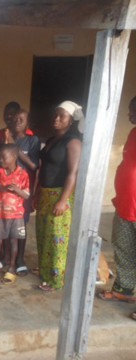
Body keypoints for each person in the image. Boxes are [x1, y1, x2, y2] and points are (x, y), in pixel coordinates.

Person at [35, 101, 82, 291]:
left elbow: (73, 172)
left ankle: (56, 280)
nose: (56, 119)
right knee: (43, 234)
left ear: (70, 121)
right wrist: (37, 193)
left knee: (57, 238)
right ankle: (45, 272)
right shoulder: (53, 139)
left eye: (61, 116)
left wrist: (63, 200)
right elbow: (44, 168)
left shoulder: (73, 142)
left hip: (60, 194)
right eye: (55, 115)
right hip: (45, 193)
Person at [99, 96, 136, 315]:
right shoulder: (133, 134)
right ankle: (125, 288)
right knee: (123, 249)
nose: (129, 115)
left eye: (133, 111)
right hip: (124, 204)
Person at [3, 109, 41, 276]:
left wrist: (14, 147)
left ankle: (20, 259)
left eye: (22, 119)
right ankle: (5, 257)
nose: (17, 121)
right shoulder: (5, 138)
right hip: (6, 190)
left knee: (21, 226)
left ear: (27, 123)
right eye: (15, 118)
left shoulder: (32, 141)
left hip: (22, 190)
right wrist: (7, 143)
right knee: (5, 223)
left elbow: (33, 165)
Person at [0, 144, 30, 284]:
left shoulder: (22, 174)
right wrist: (0, 188)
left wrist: (16, 190)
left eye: (4, 157)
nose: (1, 160)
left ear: (14, 157)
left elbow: (26, 195)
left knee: (14, 241)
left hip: (16, 215)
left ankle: (12, 267)